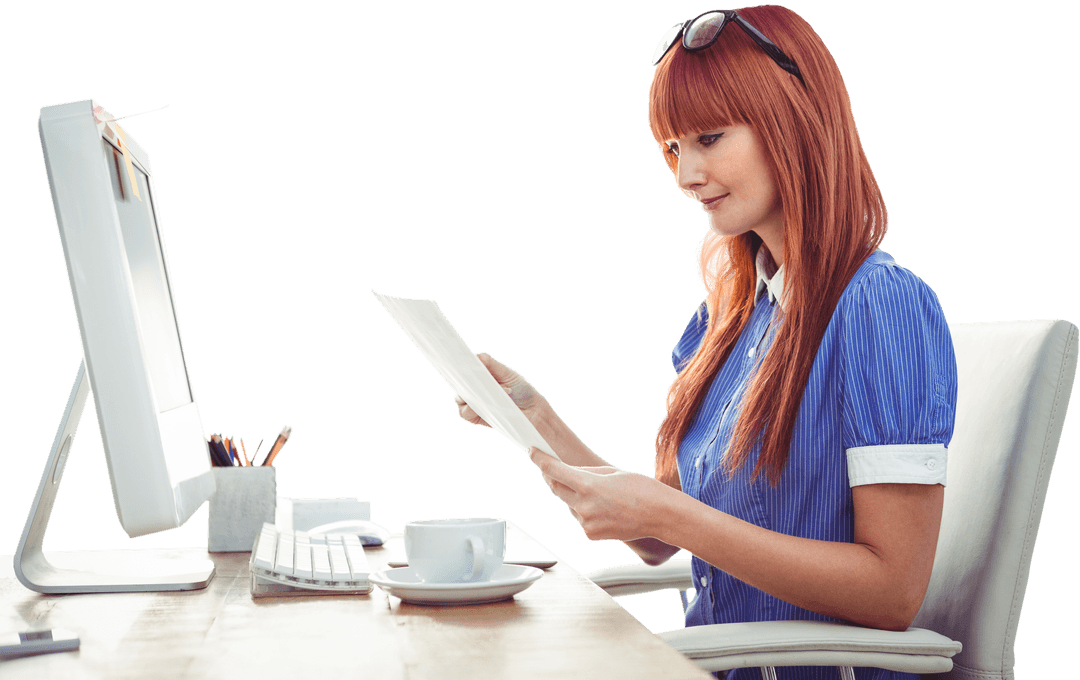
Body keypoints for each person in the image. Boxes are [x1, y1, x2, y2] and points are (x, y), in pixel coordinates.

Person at [453, 5, 956, 680]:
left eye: (710, 138)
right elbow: (654, 534)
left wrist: (674, 518)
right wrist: (534, 419)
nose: (685, 175)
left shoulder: (879, 306)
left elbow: (893, 593)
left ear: (795, 119)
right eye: (672, 148)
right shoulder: (733, 318)